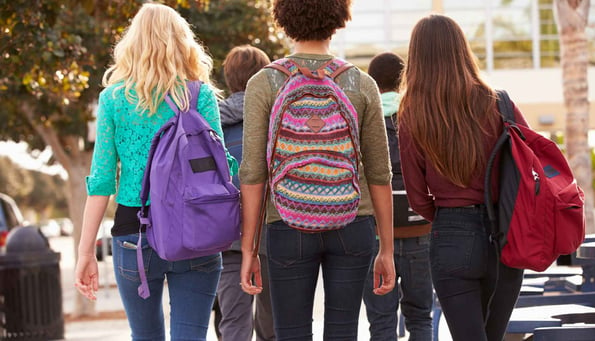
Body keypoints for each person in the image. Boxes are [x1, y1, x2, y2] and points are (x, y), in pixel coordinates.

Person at [74, 3, 237, 340]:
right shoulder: (199, 94)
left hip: (135, 234)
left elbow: (102, 182)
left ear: (132, 44)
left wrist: (85, 252)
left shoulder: (113, 99)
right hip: (197, 231)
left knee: (144, 335)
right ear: (182, 42)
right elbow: (224, 167)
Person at [239, 0, 396, 340]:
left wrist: (249, 249)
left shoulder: (264, 83)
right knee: (343, 332)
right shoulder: (361, 83)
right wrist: (387, 248)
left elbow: (253, 173)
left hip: (285, 222)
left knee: (291, 333)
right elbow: (380, 173)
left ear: (283, 18)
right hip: (353, 222)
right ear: (339, 18)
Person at [398, 14, 526, 341]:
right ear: (462, 49)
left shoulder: (412, 110)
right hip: (505, 234)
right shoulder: (499, 103)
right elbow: (530, 165)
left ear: (417, 56)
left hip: (451, 234)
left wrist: (447, 218)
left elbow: (416, 196)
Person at [362, 52, 434, 341]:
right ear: (403, 81)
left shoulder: (363, 119)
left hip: (375, 236)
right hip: (420, 230)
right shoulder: (421, 119)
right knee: (420, 317)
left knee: (381, 321)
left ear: (372, 83)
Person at [217, 45, 275, 341]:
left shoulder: (211, 125)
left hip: (227, 237)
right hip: (271, 234)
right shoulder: (276, 120)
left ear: (229, 79)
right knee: (274, 327)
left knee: (233, 325)